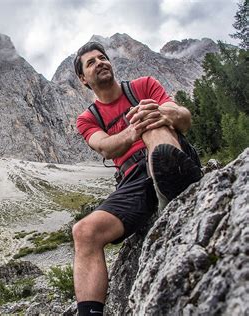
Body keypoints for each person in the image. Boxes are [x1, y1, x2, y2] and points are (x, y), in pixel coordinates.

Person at [72, 41, 202, 315]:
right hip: (132, 179)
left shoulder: (143, 85)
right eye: (91, 62)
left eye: (102, 57)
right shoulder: (87, 118)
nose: (100, 63)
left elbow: (184, 119)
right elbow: (105, 146)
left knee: (154, 129)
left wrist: (159, 112)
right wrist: (133, 129)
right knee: (84, 232)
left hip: (170, 153)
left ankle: (170, 199)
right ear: (83, 79)